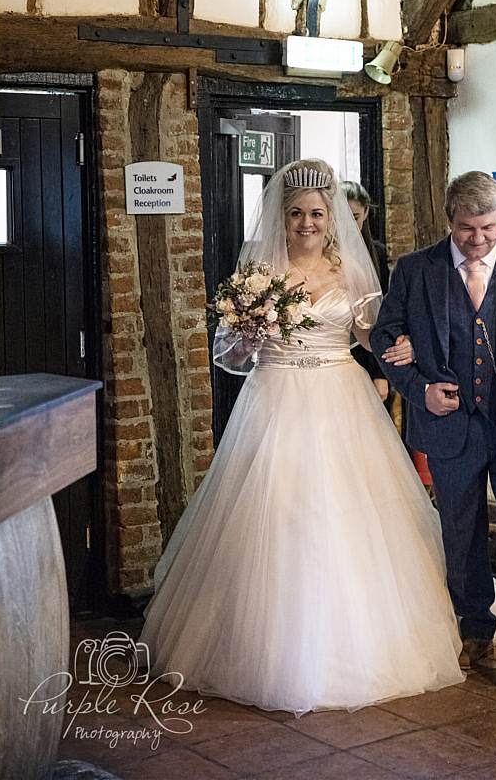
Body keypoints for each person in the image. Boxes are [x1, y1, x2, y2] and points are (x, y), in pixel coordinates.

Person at [140, 159, 471, 716]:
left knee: (349, 512)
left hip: (342, 397)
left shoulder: (351, 273)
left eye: (316, 212)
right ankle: (264, 645)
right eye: (296, 213)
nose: (306, 222)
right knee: (277, 510)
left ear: (332, 217)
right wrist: (252, 328)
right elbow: (233, 353)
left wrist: (403, 351)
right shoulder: (259, 275)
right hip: (274, 399)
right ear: (281, 217)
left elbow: (373, 334)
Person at [371, 171, 496, 684]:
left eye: (487, 228)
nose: (478, 239)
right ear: (450, 220)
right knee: (460, 532)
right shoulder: (416, 270)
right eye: (466, 228)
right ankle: (476, 632)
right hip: (450, 426)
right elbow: (384, 335)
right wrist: (418, 387)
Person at [341, 180, 391, 403]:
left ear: (366, 213)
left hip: (369, 357)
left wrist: (380, 373)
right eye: (342, 218)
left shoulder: (376, 254)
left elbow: (382, 318)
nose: (348, 226)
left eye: (355, 217)